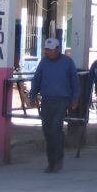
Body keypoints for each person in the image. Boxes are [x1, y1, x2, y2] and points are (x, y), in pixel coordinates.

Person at [29, 38, 80, 173]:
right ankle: (50, 160)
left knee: (56, 128)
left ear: (58, 49)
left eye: (51, 50)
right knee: (47, 131)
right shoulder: (43, 62)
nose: (49, 52)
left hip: (62, 100)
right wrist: (32, 95)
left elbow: (75, 81)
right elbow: (37, 79)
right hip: (47, 100)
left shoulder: (68, 62)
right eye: (47, 50)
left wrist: (75, 98)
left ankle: (58, 159)